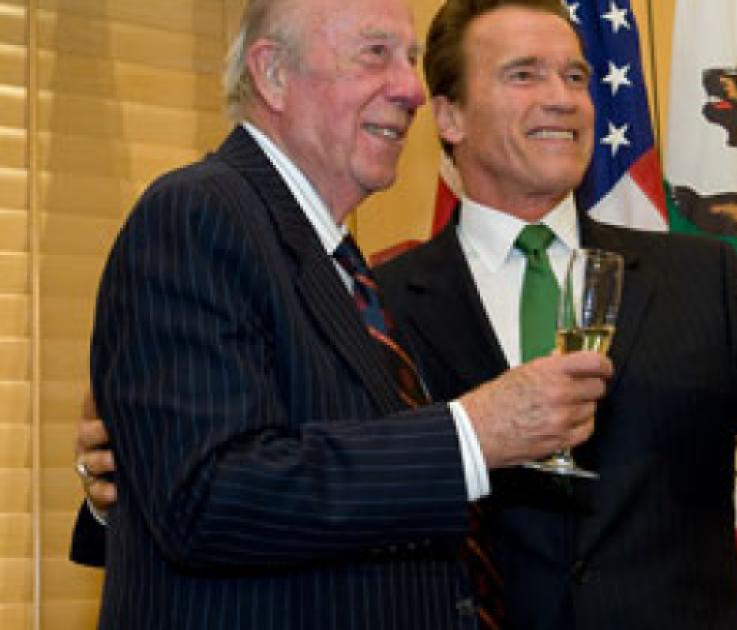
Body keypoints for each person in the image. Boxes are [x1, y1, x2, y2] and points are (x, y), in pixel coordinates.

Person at [75, 0, 737, 627]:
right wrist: (123, 487)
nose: (563, 97)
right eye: (524, 75)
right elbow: (246, 488)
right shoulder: (373, 298)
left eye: (575, 76)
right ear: (449, 116)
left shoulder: (697, 276)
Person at [78, 0, 612, 627]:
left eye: (409, 59)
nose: (412, 90)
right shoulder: (198, 214)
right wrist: (471, 433)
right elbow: (209, 496)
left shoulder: (338, 260)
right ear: (273, 73)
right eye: (375, 55)